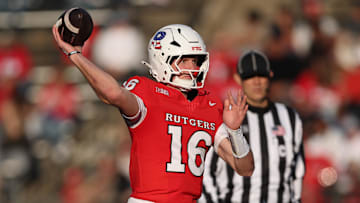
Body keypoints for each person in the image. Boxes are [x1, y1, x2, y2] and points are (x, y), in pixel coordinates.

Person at [52, 22, 254, 203]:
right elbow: (113, 93)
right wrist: (76, 55)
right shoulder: (147, 92)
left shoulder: (208, 104)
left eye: (196, 61)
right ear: (163, 58)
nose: (192, 67)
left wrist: (235, 132)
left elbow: (245, 168)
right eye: (184, 61)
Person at [200, 50, 305, 203]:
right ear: (237, 78)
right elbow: (207, 172)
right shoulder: (225, 117)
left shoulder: (290, 118)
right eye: (249, 76)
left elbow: (297, 171)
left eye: (261, 75)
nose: (256, 82)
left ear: (270, 75)